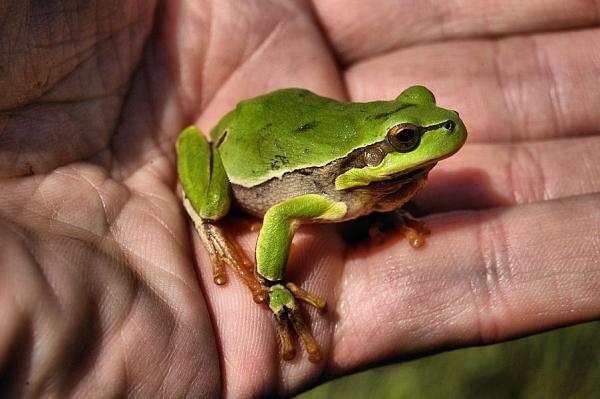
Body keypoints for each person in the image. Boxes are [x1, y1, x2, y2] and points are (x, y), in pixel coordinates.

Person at [1, 1, 599, 397]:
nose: (436, 133)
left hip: (298, 127)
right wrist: (276, 284)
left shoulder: (364, 179)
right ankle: (219, 232)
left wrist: (391, 199)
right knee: (213, 208)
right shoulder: (330, 200)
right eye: (403, 140)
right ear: (375, 152)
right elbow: (284, 209)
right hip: (242, 168)